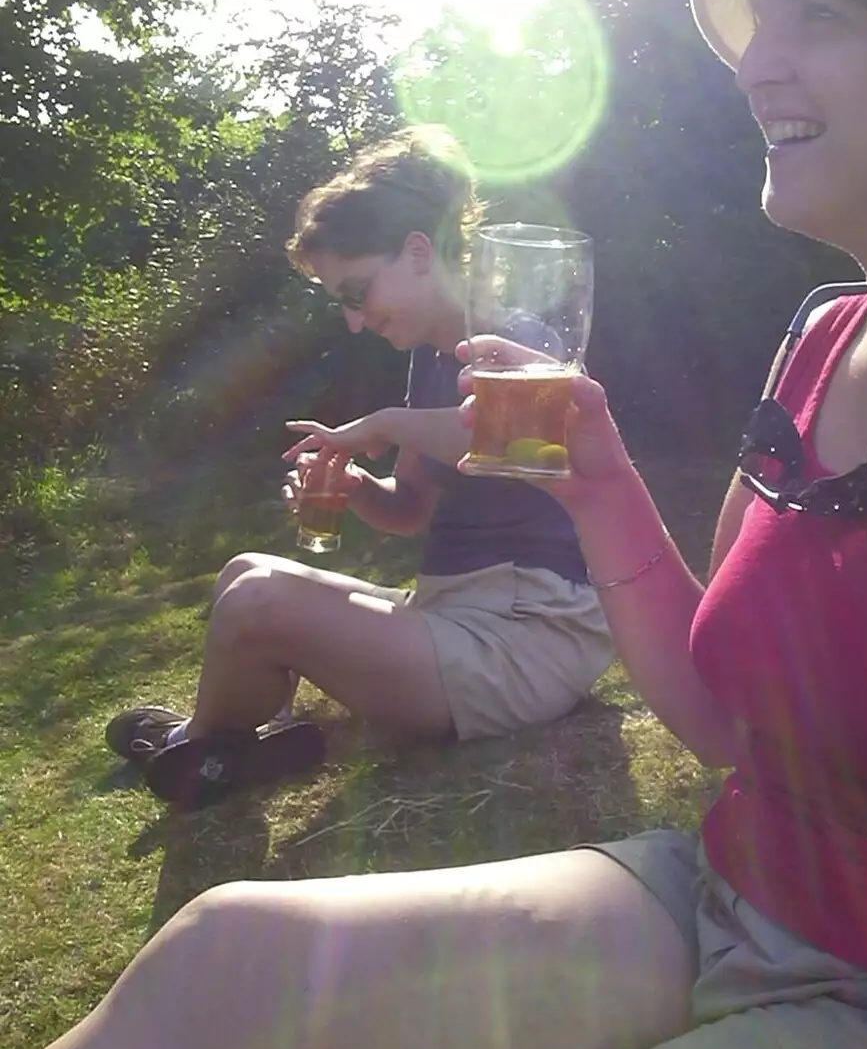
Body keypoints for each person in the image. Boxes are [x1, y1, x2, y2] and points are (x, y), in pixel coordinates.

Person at [5, 0, 867, 1049]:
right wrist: (599, 479)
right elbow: (727, 720)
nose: (755, 61)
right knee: (218, 967)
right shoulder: (820, 338)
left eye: (817, 15)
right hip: (732, 887)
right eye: (755, 21)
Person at [104, 127, 614, 808]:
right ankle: (237, 745)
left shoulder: (513, 337)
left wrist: (384, 423)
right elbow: (409, 510)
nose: (353, 320)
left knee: (260, 601)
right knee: (246, 573)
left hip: (526, 638)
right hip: (457, 611)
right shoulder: (431, 359)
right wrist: (353, 487)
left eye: (356, 291)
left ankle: (192, 743)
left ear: (417, 251)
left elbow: (528, 448)